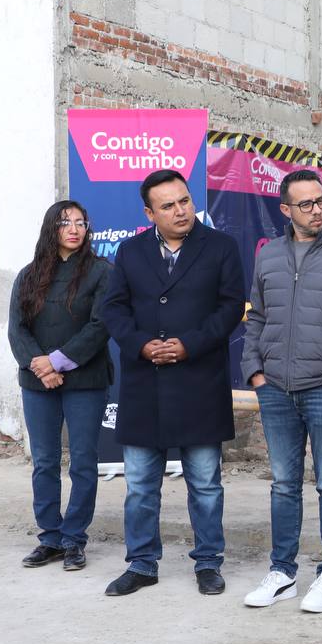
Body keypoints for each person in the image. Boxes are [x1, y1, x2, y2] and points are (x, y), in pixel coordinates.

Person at [100, 169, 245, 597]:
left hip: (200, 380)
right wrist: (143, 345)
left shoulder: (220, 246)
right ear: (150, 213)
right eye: (168, 205)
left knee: (204, 484)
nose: (180, 211)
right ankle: (142, 563)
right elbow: (114, 310)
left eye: (184, 201)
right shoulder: (130, 252)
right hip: (146, 383)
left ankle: (208, 563)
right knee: (141, 485)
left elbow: (231, 306)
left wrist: (190, 345)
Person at [240, 170, 322, 613]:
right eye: (306, 204)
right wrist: (254, 370)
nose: (317, 210)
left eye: (321, 201)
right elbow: (257, 317)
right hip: (275, 387)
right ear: (286, 210)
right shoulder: (269, 255)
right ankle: (282, 573)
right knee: (283, 484)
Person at [7, 201, 113, 571]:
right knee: (46, 461)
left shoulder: (101, 272)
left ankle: (74, 538)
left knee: (83, 461)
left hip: (85, 379)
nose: (74, 229)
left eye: (81, 223)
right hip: (38, 383)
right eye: (65, 223)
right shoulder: (29, 274)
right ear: (51, 228)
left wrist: (57, 361)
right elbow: (17, 329)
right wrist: (42, 368)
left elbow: (101, 326)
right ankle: (50, 537)